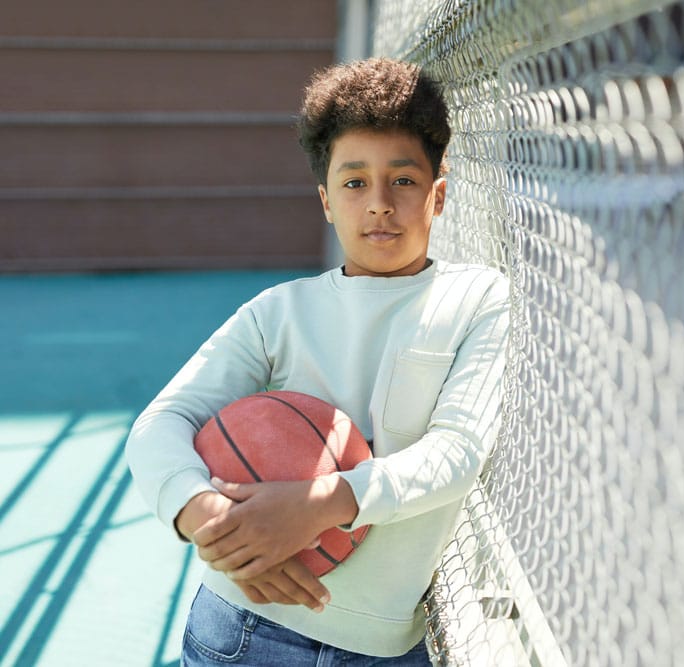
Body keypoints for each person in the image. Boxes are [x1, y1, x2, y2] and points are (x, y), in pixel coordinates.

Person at [125, 57, 509, 665]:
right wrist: (209, 520)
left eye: (403, 181)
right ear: (327, 201)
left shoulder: (477, 298)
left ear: (439, 195)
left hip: (382, 645)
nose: (379, 203)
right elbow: (159, 424)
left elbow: (459, 448)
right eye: (355, 183)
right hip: (243, 628)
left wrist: (324, 504)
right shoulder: (279, 312)